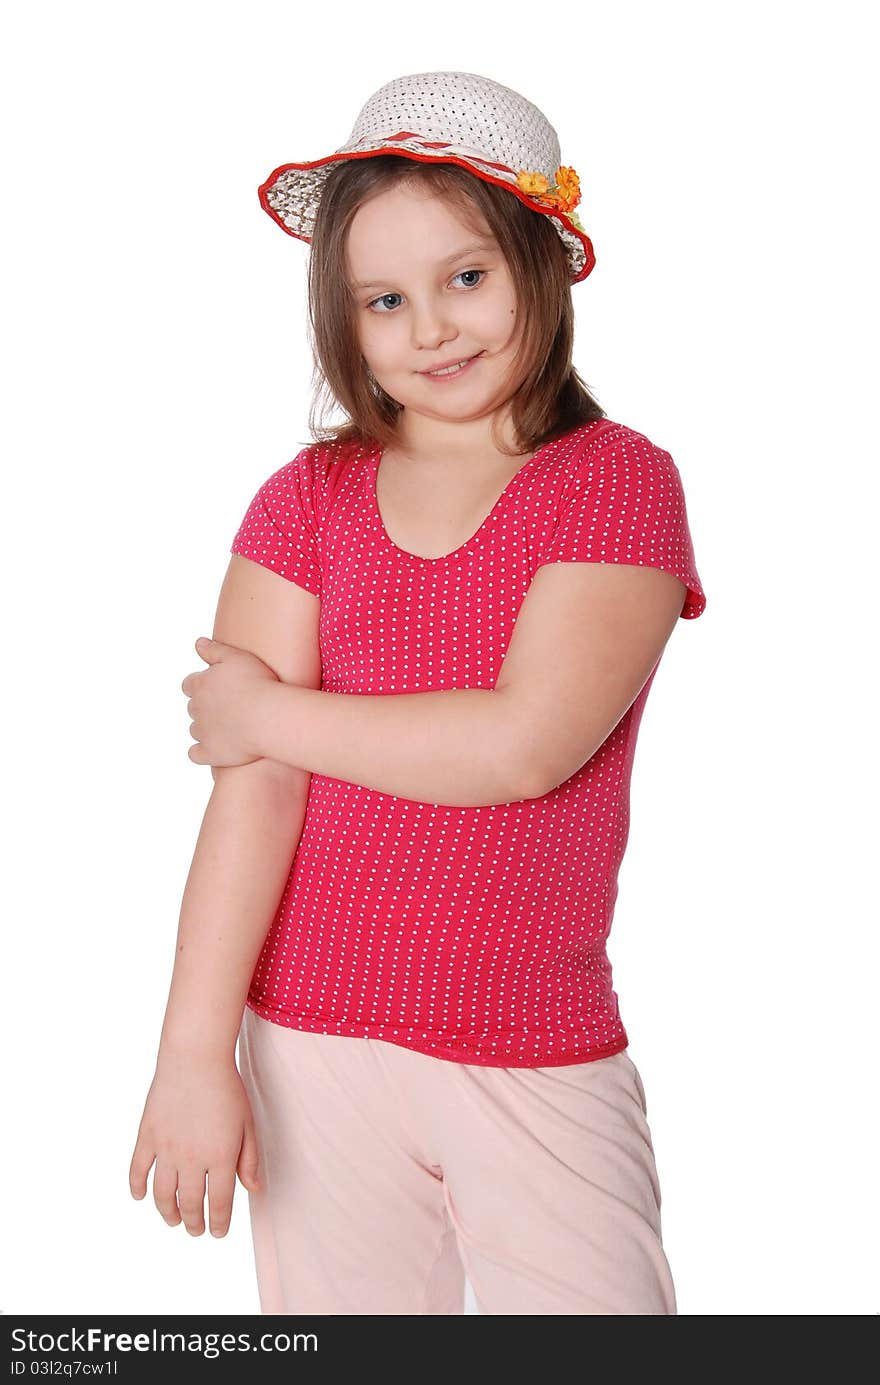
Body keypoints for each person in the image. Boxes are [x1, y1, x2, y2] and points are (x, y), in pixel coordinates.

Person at [129, 70, 707, 1316]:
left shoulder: (614, 484)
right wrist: (193, 1048)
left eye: (465, 279)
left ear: (542, 264)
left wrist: (262, 709)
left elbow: (521, 745)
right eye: (383, 300)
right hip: (308, 1043)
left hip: (530, 1043)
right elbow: (253, 796)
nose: (431, 329)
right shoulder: (306, 499)